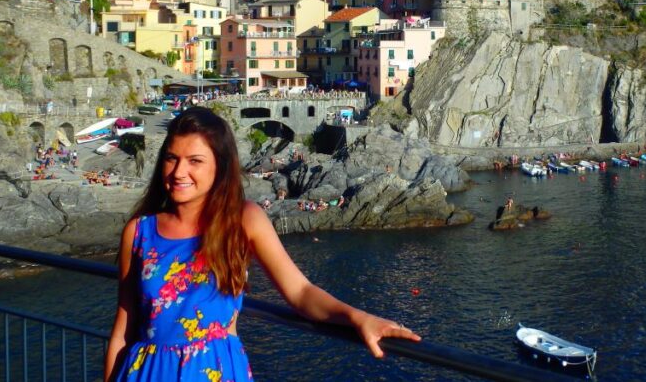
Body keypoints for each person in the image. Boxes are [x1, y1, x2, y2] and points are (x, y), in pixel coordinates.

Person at [104, 108, 419, 381]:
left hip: (214, 372)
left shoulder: (243, 220)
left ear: (219, 166)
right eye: (171, 158)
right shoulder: (140, 232)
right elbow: (123, 331)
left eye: (195, 161)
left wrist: (359, 318)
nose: (179, 172)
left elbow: (300, 292)